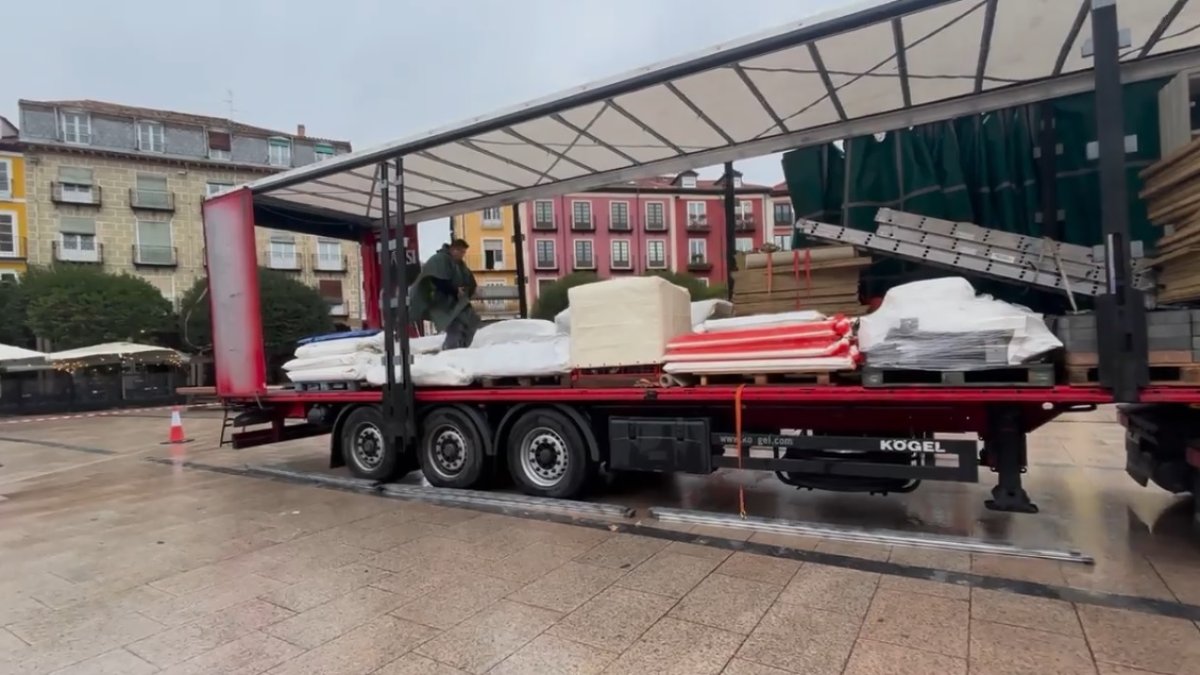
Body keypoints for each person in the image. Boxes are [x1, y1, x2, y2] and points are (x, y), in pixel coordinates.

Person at [409, 238, 480, 349]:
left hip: (458, 301)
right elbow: (437, 280)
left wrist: (467, 290)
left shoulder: (461, 265)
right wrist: (455, 291)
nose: (462, 255)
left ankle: (462, 348)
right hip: (441, 301)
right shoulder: (439, 259)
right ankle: (450, 350)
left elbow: (470, 281)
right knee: (455, 325)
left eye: (463, 252)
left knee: (472, 320)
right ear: (453, 249)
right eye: (460, 251)